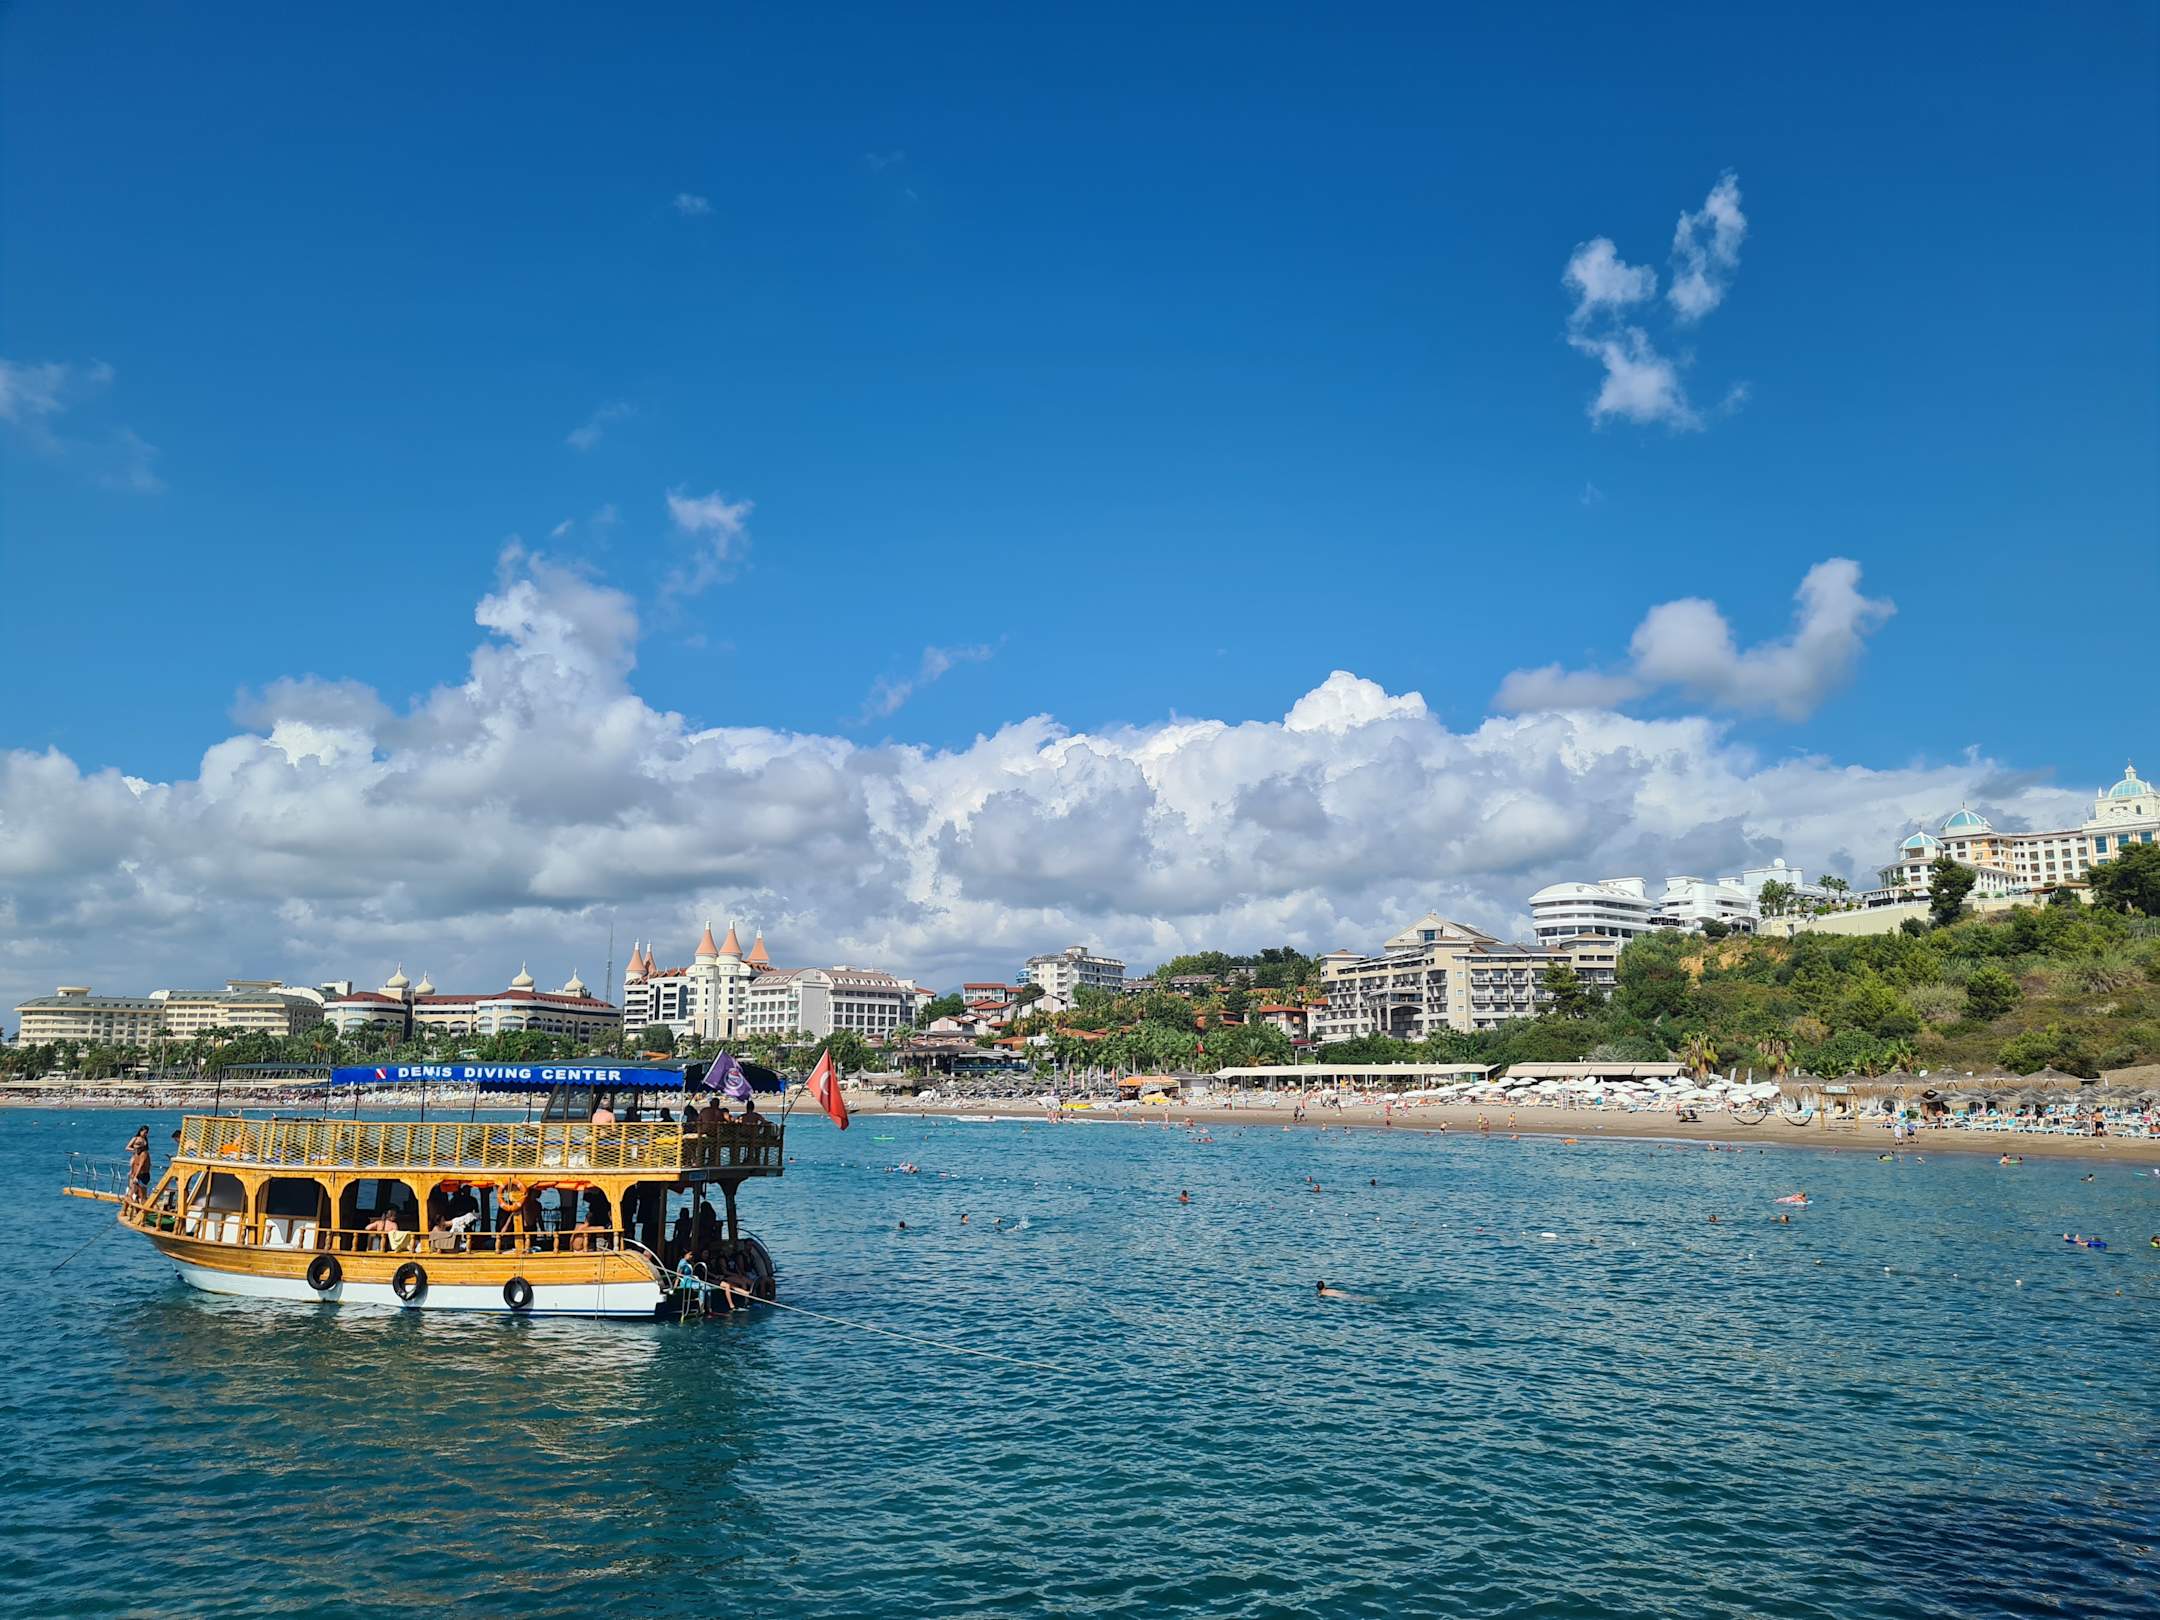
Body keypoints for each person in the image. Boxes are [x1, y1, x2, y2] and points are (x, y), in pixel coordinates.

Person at [126, 1126, 151, 1203]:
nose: (145, 1134)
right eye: (144, 1132)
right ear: (140, 1131)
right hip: (136, 1157)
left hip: (142, 1165)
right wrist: (135, 1149)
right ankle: (132, 1197)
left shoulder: (145, 1140)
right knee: (135, 1189)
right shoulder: (135, 1138)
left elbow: (142, 1164)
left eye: (146, 1132)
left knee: (140, 1192)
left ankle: (136, 1199)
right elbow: (127, 1147)